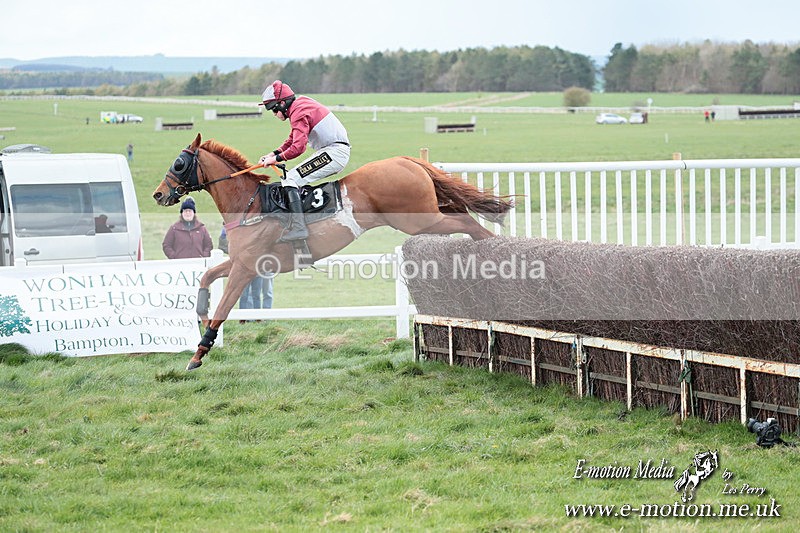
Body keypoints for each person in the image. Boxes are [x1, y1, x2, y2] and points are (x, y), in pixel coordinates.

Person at [257, 80, 350, 242]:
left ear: (282, 103)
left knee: (290, 179)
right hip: (333, 150)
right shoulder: (300, 104)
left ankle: (299, 228)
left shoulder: (298, 112)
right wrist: (273, 154)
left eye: (273, 109)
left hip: (334, 152)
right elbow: (292, 139)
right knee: (290, 178)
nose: (274, 114)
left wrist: (276, 159)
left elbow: (298, 148)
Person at [218, 227, 274, 313]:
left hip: (261, 265)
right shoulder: (235, 229)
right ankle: (244, 317)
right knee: (245, 293)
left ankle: (258, 316)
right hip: (244, 266)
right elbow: (223, 245)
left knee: (259, 293)